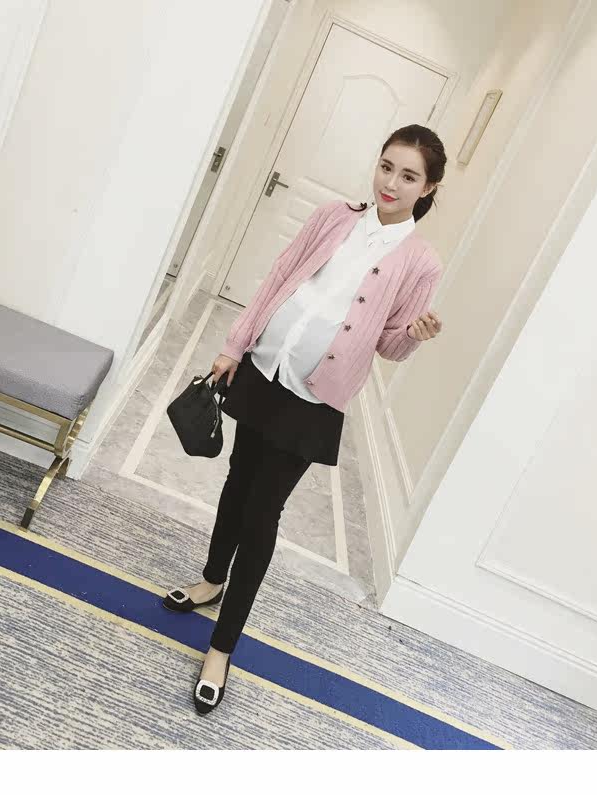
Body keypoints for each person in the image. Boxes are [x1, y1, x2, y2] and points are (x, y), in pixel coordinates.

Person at [163, 124, 446, 714]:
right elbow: (278, 279)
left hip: (313, 399)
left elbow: (389, 346)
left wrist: (414, 336)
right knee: (237, 483)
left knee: (262, 513)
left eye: (408, 176)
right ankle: (211, 580)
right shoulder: (333, 216)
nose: (391, 183)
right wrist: (235, 346)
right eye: (387, 166)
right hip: (264, 368)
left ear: (428, 188)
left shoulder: (421, 262)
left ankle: (222, 647)